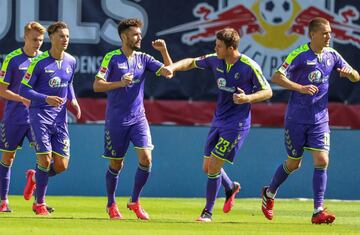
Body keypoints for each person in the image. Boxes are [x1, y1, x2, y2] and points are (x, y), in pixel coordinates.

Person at [165, 28, 272, 222]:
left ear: (231, 48)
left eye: (219, 46)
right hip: (218, 120)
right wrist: (172, 67)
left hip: (237, 124)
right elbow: (190, 62)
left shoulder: (249, 66)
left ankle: (207, 212)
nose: (215, 48)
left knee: (214, 166)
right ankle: (230, 187)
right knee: (207, 167)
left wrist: (247, 98)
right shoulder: (215, 59)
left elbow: (267, 91)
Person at [261, 17, 360, 224]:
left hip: (320, 119)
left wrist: (350, 74)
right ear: (313, 34)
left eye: (330, 33)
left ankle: (318, 211)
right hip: (296, 119)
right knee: (294, 163)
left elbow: (356, 76)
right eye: (325, 33)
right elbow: (276, 76)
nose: (329, 36)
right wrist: (300, 87)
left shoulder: (332, 55)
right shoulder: (299, 54)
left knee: (322, 160)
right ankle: (269, 193)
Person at [93, 18, 172, 220]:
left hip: (138, 118)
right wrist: (119, 83)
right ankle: (111, 204)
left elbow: (168, 72)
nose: (139, 37)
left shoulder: (144, 58)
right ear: (123, 36)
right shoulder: (111, 58)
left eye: (140, 33)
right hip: (116, 121)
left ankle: (134, 201)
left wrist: (163, 51)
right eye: (135, 34)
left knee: (146, 159)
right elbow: (97, 85)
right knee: (116, 165)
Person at [19, 21, 81, 215]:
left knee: (62, 165)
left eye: (68, 37)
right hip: (39, 117)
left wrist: (74, 100)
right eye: (61, 36)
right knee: (45, 160)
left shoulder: (71, 60)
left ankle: (35, 178)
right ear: (52, 37)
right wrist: (45, 98)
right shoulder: (39, 62)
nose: (65, 40)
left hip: (60, 119)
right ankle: (39, 204)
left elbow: (68, 82)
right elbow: (23, 89)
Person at [0, 22, 46, 213]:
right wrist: (21, 98)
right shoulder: (13, 59)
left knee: (45, 158)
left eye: (41, 40)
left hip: (38, 118)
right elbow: (2, 90)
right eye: (35, 39)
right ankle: (3, 201)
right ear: (25, 37)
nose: (38, 43)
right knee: (8, 157)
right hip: (14, 117)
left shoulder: (44, 59)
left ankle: (39, 201)